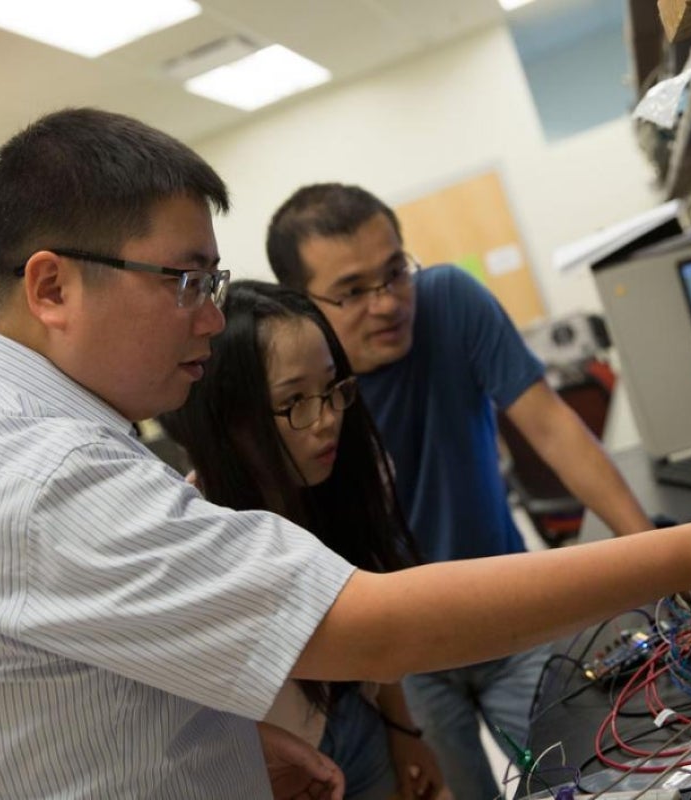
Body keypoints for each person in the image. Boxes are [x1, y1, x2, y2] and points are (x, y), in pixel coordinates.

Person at [0, 107, 691, 799]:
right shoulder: (35, 474)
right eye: (187, 282)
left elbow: (14, 685)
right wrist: (689, 556)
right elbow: (362, 625)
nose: (211, 319)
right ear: (53, 285)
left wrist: (230, 745)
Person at [258, 183, 653, 795]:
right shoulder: (297, 395)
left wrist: (652, 558)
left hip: (510, 613)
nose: (388, 303)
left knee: (591, 774)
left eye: (395, 273)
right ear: (304, 304)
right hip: (402, 658)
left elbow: (551, 428)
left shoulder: (450, 301)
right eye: (354, 291)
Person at [157, 280, 448, 800]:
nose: (328, 419)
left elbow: (376, 625)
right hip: (272, 768)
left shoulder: (358, 472)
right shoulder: (191, 538)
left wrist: (404, 733)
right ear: (227, 416)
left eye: (333, 388)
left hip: (356, 718)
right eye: (294, 401)